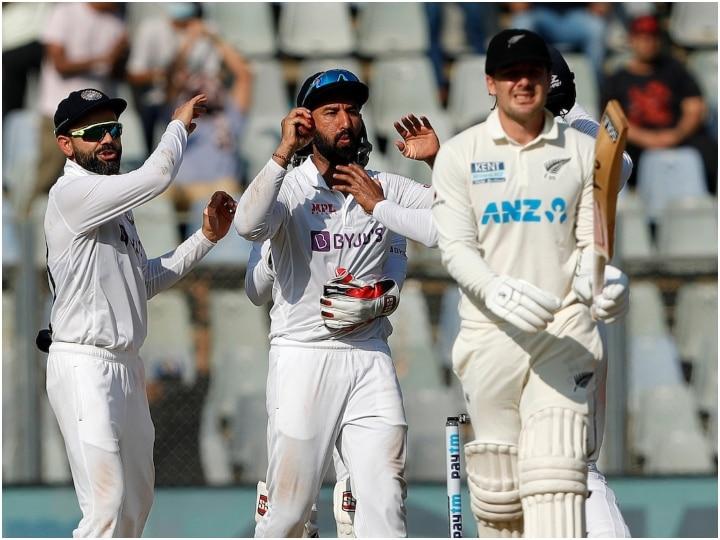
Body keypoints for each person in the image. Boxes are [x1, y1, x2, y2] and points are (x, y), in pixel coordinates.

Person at [430, 28, 619, 537]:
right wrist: (493, 289)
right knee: (500, 497)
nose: (523, 83)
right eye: (511, 74)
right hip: (491, 337)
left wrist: (598, 284)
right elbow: (456, 247)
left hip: (564, 334)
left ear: (547, 78)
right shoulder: (459, 155)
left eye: (532, 73)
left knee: (555, 474)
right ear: (490, 82)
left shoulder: (583, 151)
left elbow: (590, 244)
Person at [233, 68, 436, 537]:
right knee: (289, 514)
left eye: (352, 110)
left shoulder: (382, 187)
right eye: (331, 112)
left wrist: (438, 160)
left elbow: (461, 213)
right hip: (303, 357)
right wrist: (284, 150)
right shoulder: (291, 188)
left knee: (385, 505)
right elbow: (247, 225)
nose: (346, 121)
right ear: (307, 123)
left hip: (369, 357)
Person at [43, 88, 236, 537]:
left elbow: (143, 281)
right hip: (84, 363)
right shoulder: (72, 194)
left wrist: (204, 238)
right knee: (106, 506)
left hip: (126, 366)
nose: (108, 139)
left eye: (114, 129)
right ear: (66, 144)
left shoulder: (113, 205)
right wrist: (177, 126)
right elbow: (157, 176)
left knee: (135, 507)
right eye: (94, 132)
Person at [602, 15, 716, 193]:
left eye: (653, 37)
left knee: (709, 152)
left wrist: (676, 135)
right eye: (642, 37)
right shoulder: (617, 80)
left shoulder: (674, 69)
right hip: (636, 143)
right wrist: (649, 139)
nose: (648, 43)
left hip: (679, 137)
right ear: (632, 40)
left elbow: (694, 107)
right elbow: (611, 120)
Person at [32, 2, 128, 213]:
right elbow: (59, 64)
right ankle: (28, 227)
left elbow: (116, 73)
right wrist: (105, 58)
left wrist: (120, 56)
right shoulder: (64, 12)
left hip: (99, 117)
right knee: (46, 180)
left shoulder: (117, 20)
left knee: (100, 183)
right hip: (57, 115)